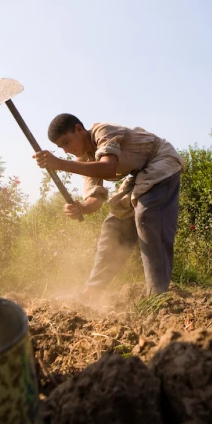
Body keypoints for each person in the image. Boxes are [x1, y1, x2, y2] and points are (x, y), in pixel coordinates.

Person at [34, 114, 183, 298]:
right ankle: (93, 290)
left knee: (146, 216)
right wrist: (81, 208)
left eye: (66, 142)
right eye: (61, 147)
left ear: (79, 130)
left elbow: (107, 168)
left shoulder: (103, 131)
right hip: (141, 174)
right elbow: (95, 199)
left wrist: (60, 164)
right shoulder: (85, 159)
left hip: (161, 159)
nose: (66, 151)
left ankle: (157, 294)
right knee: (113, 225)